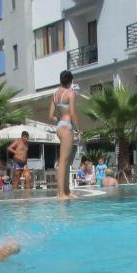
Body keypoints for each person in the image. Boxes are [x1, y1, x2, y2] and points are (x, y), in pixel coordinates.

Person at [49, 70, 79, 200]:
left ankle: (67, 191)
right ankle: (61, 193)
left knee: (66, 162)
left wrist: (60, 119)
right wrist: (78, 129)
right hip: (67, 127)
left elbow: (50, 116)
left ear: (60, 80)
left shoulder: (55, 95)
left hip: (60, 126)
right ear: (71, 81)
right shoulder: (70, 93)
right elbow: (72, 113)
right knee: (63, 162)